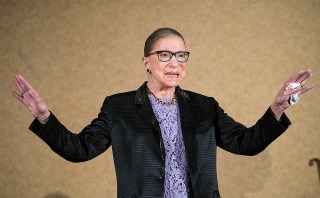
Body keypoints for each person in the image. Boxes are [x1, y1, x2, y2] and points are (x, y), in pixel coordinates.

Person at [12, 28, 314, 198]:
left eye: (181, 55)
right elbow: (80, 149)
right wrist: (44, 118)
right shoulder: (119, 107)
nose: (175, 63)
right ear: (146, 61)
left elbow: (246, 143)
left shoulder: (204, 106)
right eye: (165, 54)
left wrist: (275, 109)